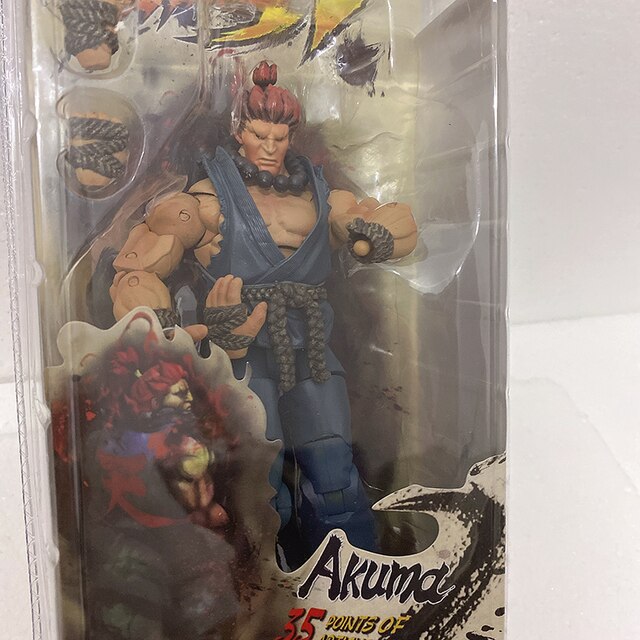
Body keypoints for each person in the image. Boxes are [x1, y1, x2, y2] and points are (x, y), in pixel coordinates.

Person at [110, 60, 417, 560]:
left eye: (279, 136)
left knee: (335, 471)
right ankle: (261, 583)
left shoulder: (320, 193)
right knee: (258, 479)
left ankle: (352, 574)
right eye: (259, 135)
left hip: (313, 351)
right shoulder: (207, 200)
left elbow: (377, 221)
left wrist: (379, 235)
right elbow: (140, 263)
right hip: (240, 354)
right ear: (240, 133)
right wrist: (162, 327)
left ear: (292, 135)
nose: (270, 147)